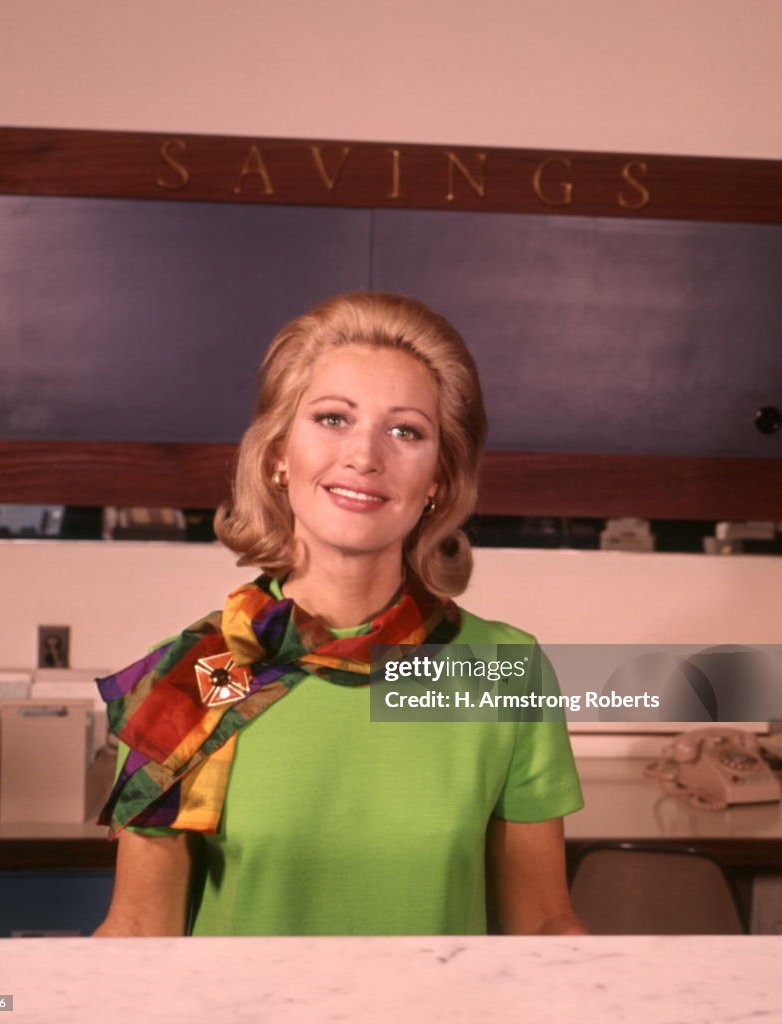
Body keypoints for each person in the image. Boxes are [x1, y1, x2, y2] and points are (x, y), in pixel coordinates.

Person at [93, 291, 585, 937]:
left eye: (405, 430)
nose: (364, 456)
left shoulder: (501, 671)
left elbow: (544, 929)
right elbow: (135, 936)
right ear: (276, 454)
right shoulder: (193, 675)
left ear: (437, 477)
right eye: (331, 418)